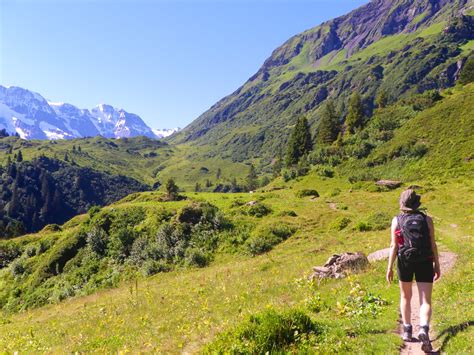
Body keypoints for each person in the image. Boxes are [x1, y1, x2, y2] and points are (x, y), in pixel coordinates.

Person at [386, 189, 441, 352]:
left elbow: (393, 245)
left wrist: (389, 267)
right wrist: (437, 265)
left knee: (405, 296)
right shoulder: (427, 220)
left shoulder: (397, 220)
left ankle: (408, 330)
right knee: (426, 300)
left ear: (402, 204)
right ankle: (424, 328)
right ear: (417, 204)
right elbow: (433, 243)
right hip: (425, 260)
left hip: (405, 261)